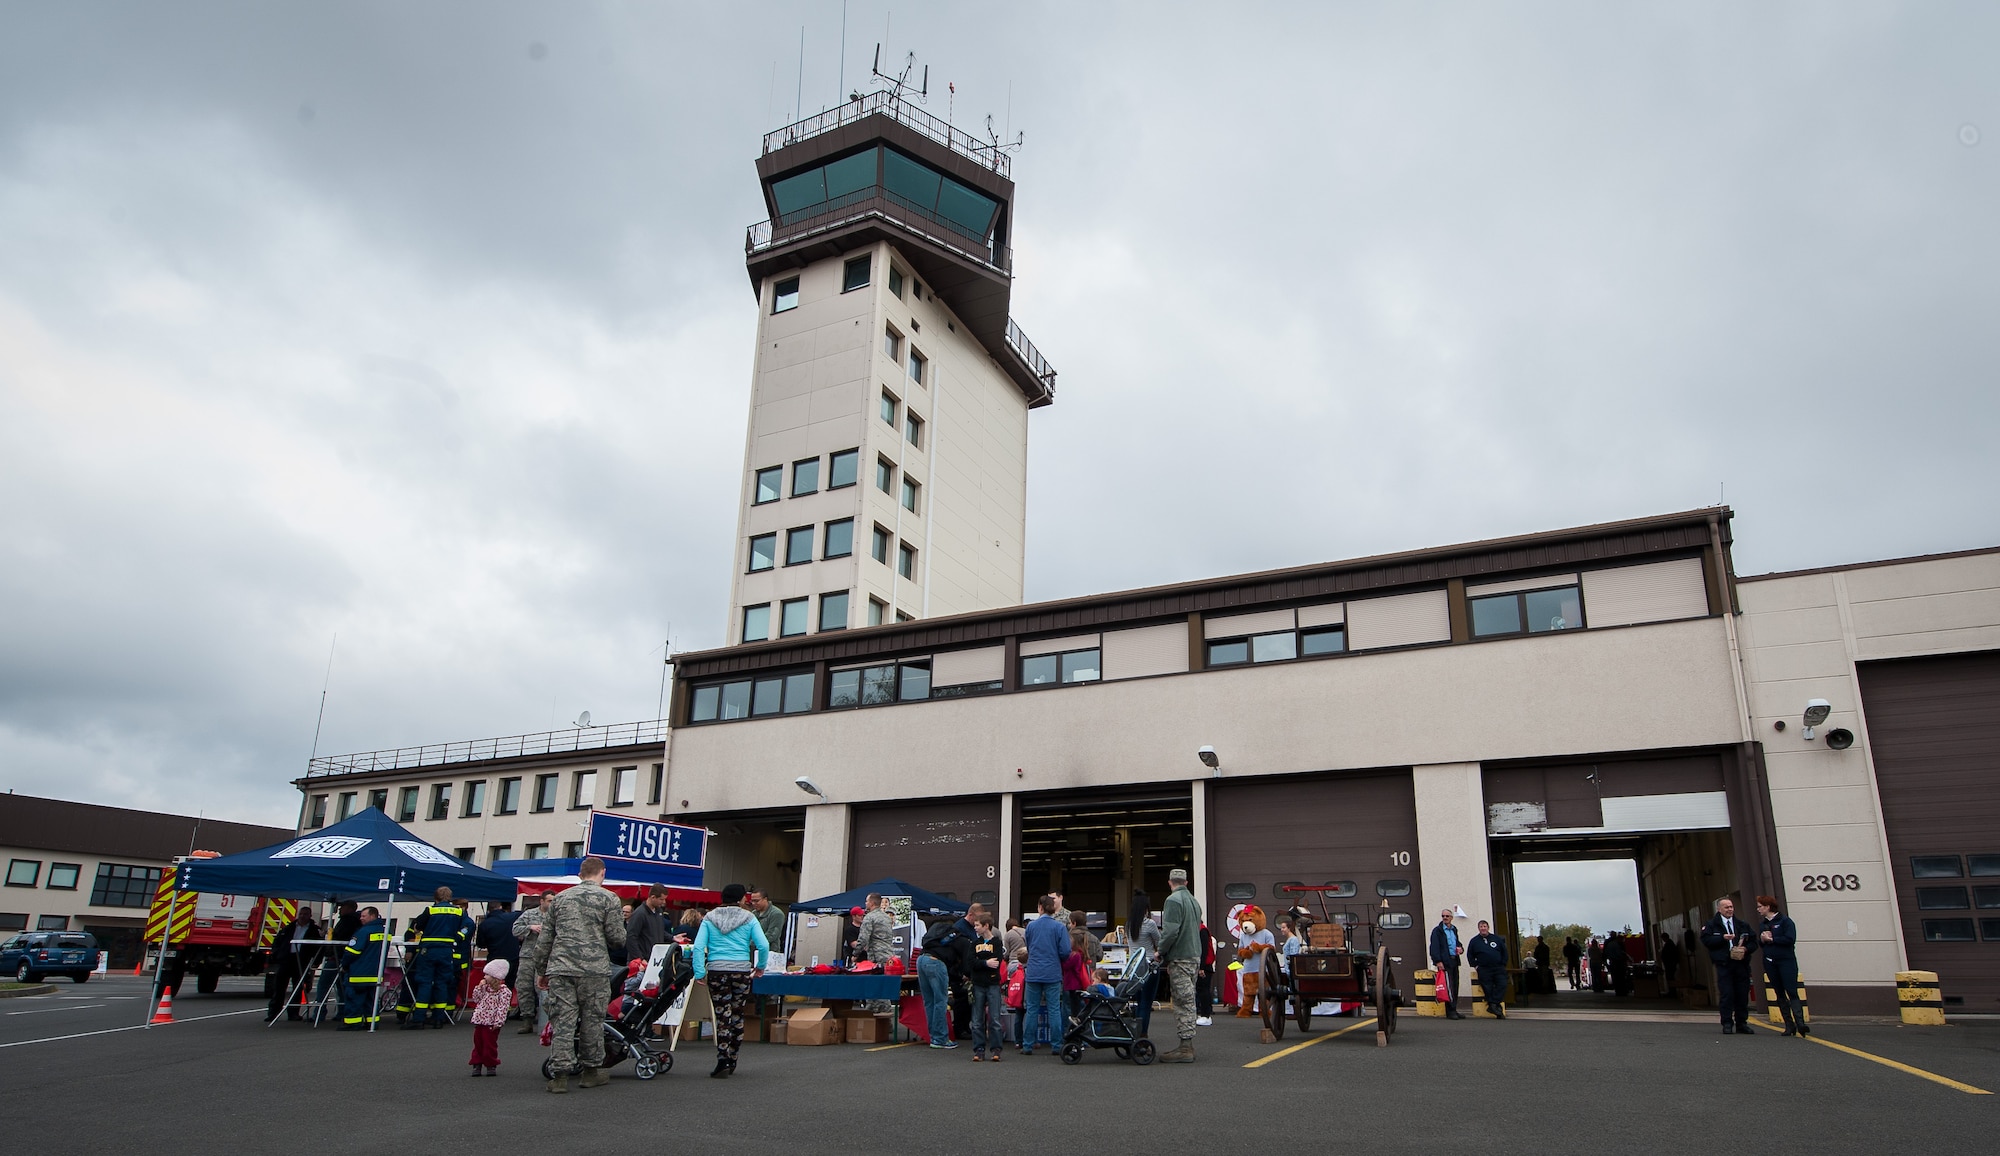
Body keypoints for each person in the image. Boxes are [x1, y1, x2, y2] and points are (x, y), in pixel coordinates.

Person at [527, 857, 626, 1092]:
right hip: (594, 970)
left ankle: (559, 1075)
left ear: (580, 874)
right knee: (592, 1020)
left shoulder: (560, 898)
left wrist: (542, 971)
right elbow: (618, 939)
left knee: (563, 1022)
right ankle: (591, 1071)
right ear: (602, 873)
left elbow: (545, 940)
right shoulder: (609, 898)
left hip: (562, 968)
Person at [690, 882, 769, 1078]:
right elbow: (763, 945)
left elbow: (698, 947)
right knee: (737, 1013)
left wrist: (699, 972)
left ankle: (722, 1058)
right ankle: (733, 1057)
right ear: (741, 898)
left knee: (722, 1014)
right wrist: (760, 967)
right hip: (741, 970)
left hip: (717, 970)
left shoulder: (709, 918)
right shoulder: (749, 918)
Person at [1156, 868, 1204, 1062]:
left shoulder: (1173, 901)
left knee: (1183, 1001)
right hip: (1194, 955)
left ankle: (1185, 1047)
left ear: (1170, 882)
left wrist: (1161, 951)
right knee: (1189, 998)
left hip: (1180, 957)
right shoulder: (1194, 902)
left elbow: (1170, 931)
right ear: (1186, 882)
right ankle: (1187, 1044)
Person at [407, 888, 469, 1029]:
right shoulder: (458, 912)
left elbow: (418, 926)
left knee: (425, 982)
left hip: (428, 950)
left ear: (435, 897)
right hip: (447, 951)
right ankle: (438, 1018)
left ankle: (419, 1018)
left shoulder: (430, 910)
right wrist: (458, 937)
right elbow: (466, 926)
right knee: (442, 983)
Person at [1020, 894, 1071, 1056]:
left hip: (1034, 971)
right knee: (1054, 1009)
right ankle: (1056, 1045)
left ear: (1040, 907)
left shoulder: (1031, 927)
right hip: (1052, 972)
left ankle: (1027, 1044)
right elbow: (1065, 951)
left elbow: (1028, 946)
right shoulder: (1059, 927)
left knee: (1032, 1010)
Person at [1699, 896, 1758, 1036]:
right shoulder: (1712, 925)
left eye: (1731, 907)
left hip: (1741, 964)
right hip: (1724, 964)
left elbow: (1753, 942)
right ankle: (1726, 1023)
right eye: (1726, 907)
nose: (1730, 909)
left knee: (1742, 994)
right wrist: (1722, 938)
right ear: (1719, 909)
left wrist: (1745, 949)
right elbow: (1706, 940)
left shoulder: (1742, 925)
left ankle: (1742, 1023)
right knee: (1726, 994)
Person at [918, 909, 969, 1050]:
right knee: (940, 1001)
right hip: (936, 963)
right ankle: (941, 1039)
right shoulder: (958, 937)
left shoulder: (934, 934)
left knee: (929, 1001)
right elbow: (965, 960)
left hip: (921, 960)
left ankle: (933, 1036)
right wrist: (965, 974)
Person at [1757, 895, 1806, 1036]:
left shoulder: (1785, 921)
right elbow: (1762, 943)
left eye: (1760, 906)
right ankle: (1789, 1025)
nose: (1758, 909)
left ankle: (1800, 1023)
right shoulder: (1763, 924)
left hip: (1786, 961)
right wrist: (1762, 939)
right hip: (1770, 961)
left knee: (1791, 991)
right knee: (1779, 993)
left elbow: (1790, 939)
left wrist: (1772, 939)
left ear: (1767, 907)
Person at [266, 906, 320, 1022]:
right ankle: (273, 1013)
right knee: (279, 987)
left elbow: (317, 947)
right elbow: (278, 941)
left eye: (305, 914)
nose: (302, 916)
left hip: (301, 960)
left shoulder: (313, 930)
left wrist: (316, 962)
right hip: (286, 959)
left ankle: (293, 1013)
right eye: (301, 914)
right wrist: (276, 954)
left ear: (310, 916)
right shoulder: (289, 927)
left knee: (298, 988)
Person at [338, 907, 386, 1031]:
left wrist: (344, 964)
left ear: (373, 916)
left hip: (359, 973)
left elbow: (351, 953)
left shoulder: (363, 932)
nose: (361, 918)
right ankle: (372, 1023)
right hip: (376, 973)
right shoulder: (385, 932)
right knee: (371, 1001)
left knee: (354, 999)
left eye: (364, 916)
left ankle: (353, 1022)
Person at [511, 893, 553, 1033]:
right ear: (542, 901)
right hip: (528, 956)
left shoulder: (556, 915)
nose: (551, 903)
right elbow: (515, 930)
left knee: (542, 989)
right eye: (549, 900)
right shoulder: (529, 914)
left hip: (547, 957)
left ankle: (545, 1021)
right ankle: (527, 1019)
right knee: (524, 987)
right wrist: (530, 927)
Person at [967, 915, 1006, 1061]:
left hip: (992, 984)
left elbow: (996, 961)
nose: (975, 927)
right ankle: (979, 1049)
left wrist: (980, 961)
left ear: (986, 925)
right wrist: (985, 963)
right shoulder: (974, 943)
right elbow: (970, 961)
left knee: (994, 1018)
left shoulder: (997, 942)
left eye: (977, 925)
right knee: (977, 1019)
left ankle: (996, 1049)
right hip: (977, 984)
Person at [466, 959, 511, 1075]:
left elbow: (503, 1008)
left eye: (487, 974)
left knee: (489, 1044)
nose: (484, 977)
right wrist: (479, 987)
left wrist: (498, 1022)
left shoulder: (504, 991)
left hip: (491, 1022)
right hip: (480, 1020)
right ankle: (477, 1064)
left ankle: (491, 1064)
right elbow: (476, 999)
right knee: (478, 1043)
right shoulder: (485, 988)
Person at [1128, 892, 1162, 1038]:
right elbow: (1160, 943)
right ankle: (1142, 1035)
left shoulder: (1129, 924)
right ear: (1146, 908)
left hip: (1133, 968)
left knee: (1137, 1001)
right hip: (1148, 965)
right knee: (1146, 1003)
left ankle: (1133, 1032)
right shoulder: (1149, 924)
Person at [316, 901, 361, 1011]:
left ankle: (319, 1012)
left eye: (342, 907)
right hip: (343, 957)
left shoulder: (347, 921)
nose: (340, 910)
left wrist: (330, 950)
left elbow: (339, 937)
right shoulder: (356, 922)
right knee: (341, 987)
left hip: (336, 957)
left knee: (324, 985)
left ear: (350, 908)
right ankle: (342, 1012)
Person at [475, 901, 520, 1001]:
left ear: (488, 910)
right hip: (512, 958)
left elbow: (480, 944)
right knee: (509, 985)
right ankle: (505, 1008)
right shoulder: (512, 917)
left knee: (492, 986)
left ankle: (492, 1006)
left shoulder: (485, 924)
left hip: (494, 958)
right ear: (500, 907)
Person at [1466, 919, 1508, 1018]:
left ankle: (1493, 1004)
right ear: (1478, 928)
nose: (1483, 928)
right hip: (1484, 969)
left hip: (1498, 968)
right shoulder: (1474, 941)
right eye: (1481, 927)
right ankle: (1496, 1009)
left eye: (1485, 926)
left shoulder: (1496, 939)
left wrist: (1503, 963)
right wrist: (1475, 965)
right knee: (1487, 988)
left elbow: (1504, 952)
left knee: (1502, 984)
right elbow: (1470, 954)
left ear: (1488, 928)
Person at [1429, 908, 1465, 1019]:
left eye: (1447, 916)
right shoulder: (1437, 931)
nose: (1445, 918)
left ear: (1451, 918)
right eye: (1443, 916)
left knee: (1455, 986)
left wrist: (1461, 949)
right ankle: (1450, 1012)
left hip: (1454, 960)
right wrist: (1438, 961)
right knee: (1448, 987)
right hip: (1445, 962)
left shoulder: (1454, 930)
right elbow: (1434, 947)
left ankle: (1454, 1009)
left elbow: (1457, 943)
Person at [625, 884, 669, 971]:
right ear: (653, 897)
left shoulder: (658, 912)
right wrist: (640, 958)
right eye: (661, 899)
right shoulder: (640, 913)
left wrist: (673, 937)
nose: (663, 902)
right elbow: (631, 937)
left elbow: (658, 931)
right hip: (641, 963)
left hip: (655, 960)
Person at [747, 886, 787, 952]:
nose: (753, 903)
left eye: (756, 901)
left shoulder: (777, 914)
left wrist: (750, 943)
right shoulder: (753, 913)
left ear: (765, 899)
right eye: (752, 901)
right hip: (752, 952)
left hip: (769, 952)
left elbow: (771, 935)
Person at [1194, 921, 1215, 1026]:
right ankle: (1204, 1013)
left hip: (1204, 966)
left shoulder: (1202, 930)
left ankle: (1206, 1015)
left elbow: (1204, 950)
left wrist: (1201, 967)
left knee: (1203, 990)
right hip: (1202, 965)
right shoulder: (1200, 929)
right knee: (1200, 989)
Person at [1659, 931, 1683, 995]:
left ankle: (1672, 992)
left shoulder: (1669, 944)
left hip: (1670, 965)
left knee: (1670, 977)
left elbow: (1668, 954)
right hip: (1670, 964)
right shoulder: (1669, 943)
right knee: (1670, 977)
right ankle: (1672, 991)